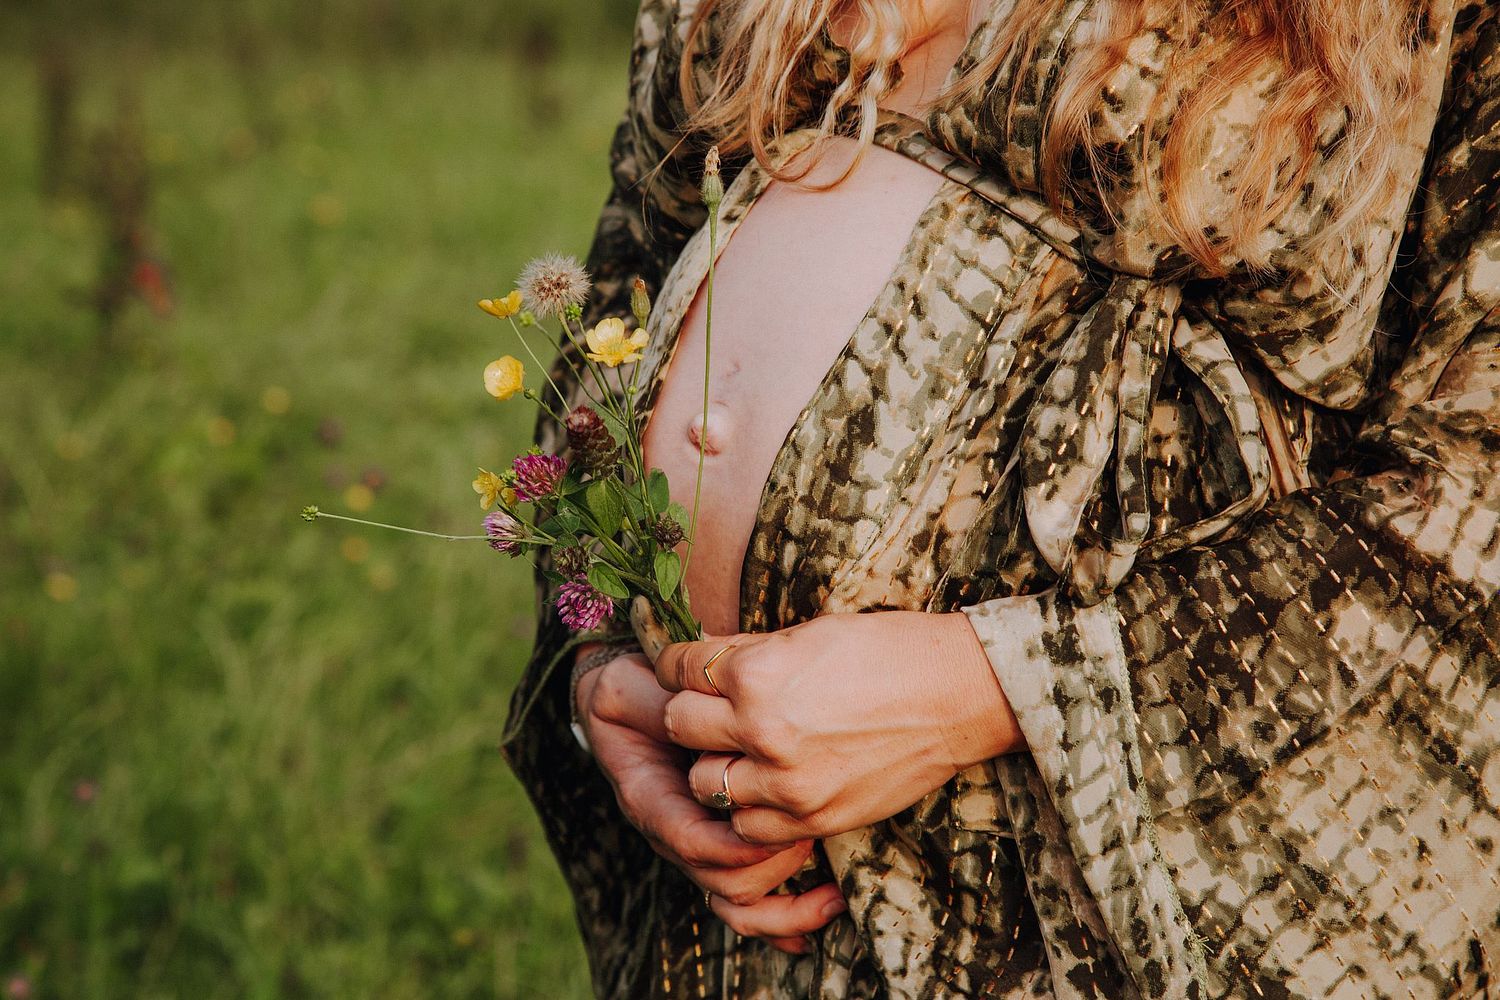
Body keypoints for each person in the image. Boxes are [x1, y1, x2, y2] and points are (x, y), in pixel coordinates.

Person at [501, 0, 1500, 995]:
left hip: (1055, 881)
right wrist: (602, 654)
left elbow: (1471, 497)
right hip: (723, 870)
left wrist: (985, 688)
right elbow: (631, 259)